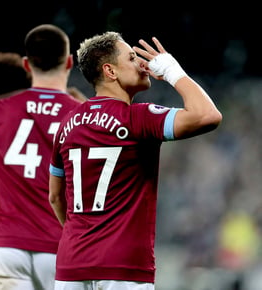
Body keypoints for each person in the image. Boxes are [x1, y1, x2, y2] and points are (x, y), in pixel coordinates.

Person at [48, 33, 222, 290]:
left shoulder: (67, 124)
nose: (143, 64)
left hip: (71, 267)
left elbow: (55, 196)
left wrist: (79, 239)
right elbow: (208, 115)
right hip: (123, 267)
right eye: (132, 58)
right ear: (110, 71)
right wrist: (173, 71)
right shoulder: (137, 118)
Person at [0, 23, 82, 290]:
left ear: (26, 64)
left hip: (6, 249)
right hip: (62, 249)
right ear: (69, 62)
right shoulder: (82, 115)